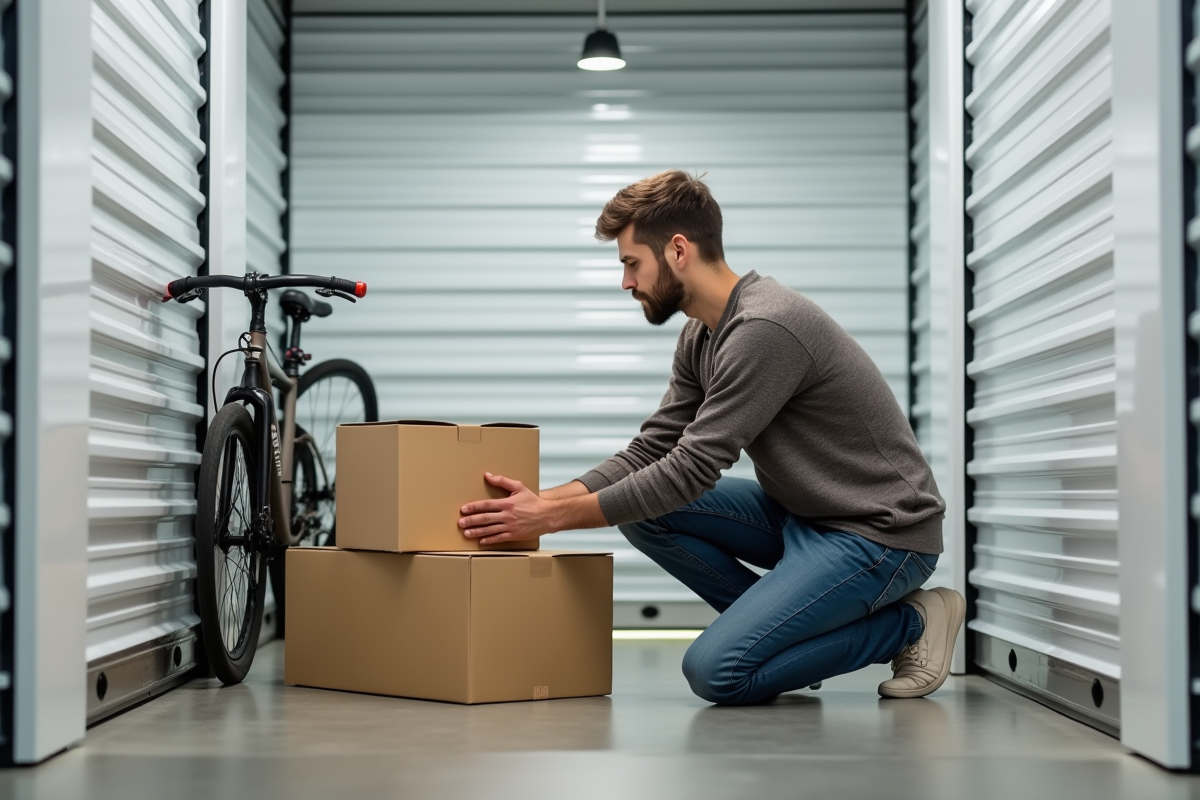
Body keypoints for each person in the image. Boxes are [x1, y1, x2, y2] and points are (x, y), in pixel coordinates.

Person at [458, 170, 964, 704]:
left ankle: (911, 623)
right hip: (807, 515)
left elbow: (691, 469)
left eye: (632, 263)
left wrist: (551, 520)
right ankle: (791, 638)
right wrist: (543, 502)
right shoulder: (701, 332)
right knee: (644, 512)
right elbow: (652, 449)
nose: (626, 282)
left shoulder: (766, 327)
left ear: (678, 250)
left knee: (717, 672)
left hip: (879, 533)